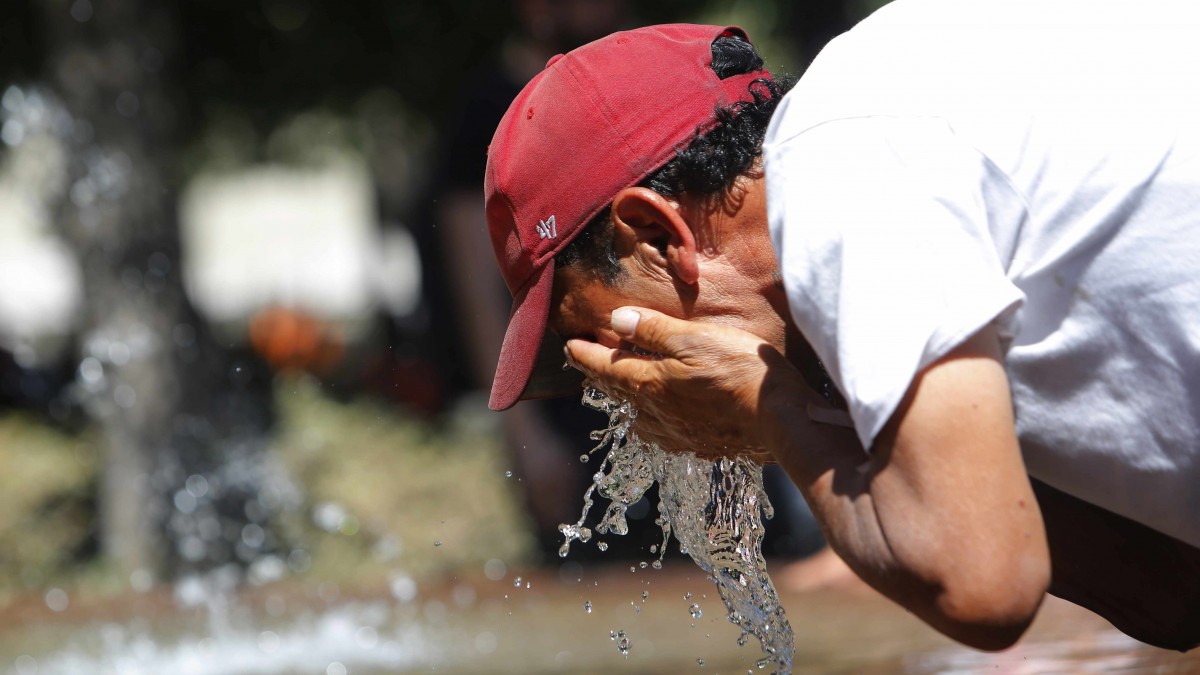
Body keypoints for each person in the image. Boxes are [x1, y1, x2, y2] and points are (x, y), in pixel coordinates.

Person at [480, 3, 1200, 653]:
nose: (626, 391)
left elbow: (988, 589)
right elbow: (1172, 594)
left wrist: (777, 412)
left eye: (608, 340)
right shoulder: (894, 142)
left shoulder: (839, 165)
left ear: (657, 237)